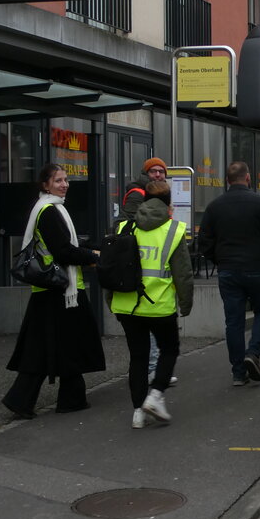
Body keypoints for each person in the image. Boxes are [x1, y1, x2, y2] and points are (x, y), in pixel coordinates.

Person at [2, 164, 105, 419]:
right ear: (45, 185)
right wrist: (93, 255)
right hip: (59, 289)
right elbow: (63, 251)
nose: (64, 184)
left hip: (54, 289)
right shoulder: (48, 212)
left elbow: (66, 246)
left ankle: (43, 399)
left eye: (66, 179)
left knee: (52, 345)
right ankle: (60, 399)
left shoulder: (52, 209)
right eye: (58, 180)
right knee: (63, 344)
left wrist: (88, 251)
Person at [108, 180, 193, 429]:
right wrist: (186, 304)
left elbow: (112, 267)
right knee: (169, 349)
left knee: (138, 357)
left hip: (127, 306)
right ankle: (155, 395)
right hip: (159, 307)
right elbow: (184, 275)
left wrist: (110, 299)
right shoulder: (174, 230)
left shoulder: (123, 226)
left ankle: (137, 412)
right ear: (169, 203)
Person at [199, 161, 260, 386]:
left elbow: (205, 241)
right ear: (248, 178)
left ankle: (238, 372)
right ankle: (253, 353)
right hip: (258, 267)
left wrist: (219, 260)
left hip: (228, 270)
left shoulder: (214, 206)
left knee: (233, 321)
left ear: (227, 181)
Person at [122, 156, 176, 386]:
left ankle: (150, 372)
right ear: (146, 174)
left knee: (148, 332)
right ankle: (152, 371)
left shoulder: (154, 193)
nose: (158, 175)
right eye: (153, 171)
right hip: (141, 267)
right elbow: (134, 223)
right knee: (149, 331)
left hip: (151, 272)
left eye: (161, 172)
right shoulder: (138, 193)